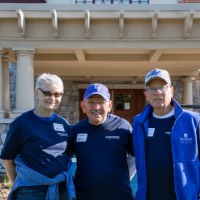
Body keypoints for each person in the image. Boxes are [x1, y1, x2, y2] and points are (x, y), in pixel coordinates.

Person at [0, 73, 75, 200]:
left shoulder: (63, 124)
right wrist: (17, 183)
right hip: (30, 191)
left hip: (60, 189)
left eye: (57, 94)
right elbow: (7, 158)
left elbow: (67, 154)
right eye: (47, 93)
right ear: (36, 93)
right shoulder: (21, 123)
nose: (52, 98)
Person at [133, 68, 200, 200]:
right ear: (146, 94)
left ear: (172, 90)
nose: (157, 93)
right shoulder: (138, 122)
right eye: (152, 89)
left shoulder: (193, 120)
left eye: (162, 87)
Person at [69, 83, 134, 200]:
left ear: (109, 105)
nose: (96, 107)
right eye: (91, 102)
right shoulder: (76, 131)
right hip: (84, 196)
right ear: (83, 106)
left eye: (101, 102)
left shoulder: (123, 127)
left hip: (120, 196)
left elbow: (137, 156)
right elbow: (63, 160)